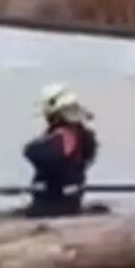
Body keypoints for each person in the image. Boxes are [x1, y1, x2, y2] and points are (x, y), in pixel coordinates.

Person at [23, 84, 98, 219]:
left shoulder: (65, 136)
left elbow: (34, 152)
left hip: (54, 205)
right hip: (65, 200)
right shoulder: (79, 135)